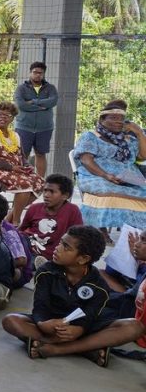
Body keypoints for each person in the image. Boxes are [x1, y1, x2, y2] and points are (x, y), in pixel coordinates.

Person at [1, 226, 145, 365]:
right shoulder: (46, 272)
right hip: (51, 323)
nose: (57, 248)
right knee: (11, 321)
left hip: (84, 328)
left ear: (83, 259)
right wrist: (42, 323)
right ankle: (86, 349)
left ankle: (56, 349)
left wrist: (80, 329)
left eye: (66, 247)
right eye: (60, 243)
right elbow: (40, 306)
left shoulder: (99, 286)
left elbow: (90, 314)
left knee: (134, 327)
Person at [71, 100, 146, 231]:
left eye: (122, 118)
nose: (119, 121)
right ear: (102, 120)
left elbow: (143, 156)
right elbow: (86, 160)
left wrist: (139, 132)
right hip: (97, 176)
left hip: (128, 178)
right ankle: (100, 229)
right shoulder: (90, 136)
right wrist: (106, 175)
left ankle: (134, 231)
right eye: (114, 118)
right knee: (105, 189)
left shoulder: (128, 139)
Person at [0, 101, 44, 225]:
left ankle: (9, 217)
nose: (3, 117)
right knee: (25, 185)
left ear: (12, 119)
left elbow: (22, 157)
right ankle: (16, 221)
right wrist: (11, 167)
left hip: (16, 170)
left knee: (40, 182)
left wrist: (27, 166)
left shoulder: (15, 135)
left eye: (7, 115)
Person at [18, 174, 83, 266]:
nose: (46, 195)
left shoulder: (72, 211)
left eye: (52, 192)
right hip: (28, 247)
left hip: (50, 255)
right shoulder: (34, 208)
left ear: (65, 196)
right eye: (45, 190)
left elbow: (77, 238)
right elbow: (21, 230)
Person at [13, 61, 58, 178]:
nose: (37, 75)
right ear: (30, 73)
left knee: (41, 154)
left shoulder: (51, 88)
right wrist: (42, 107)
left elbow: (53, 101)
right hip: (24, 127)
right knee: (23, 155)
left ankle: (40, 181)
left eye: (40, 73)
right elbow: (21, 105)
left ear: (43, 74)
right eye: (35, 72)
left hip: (45, 128)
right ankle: (22, 179)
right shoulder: (21, 89)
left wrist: (33, 101)